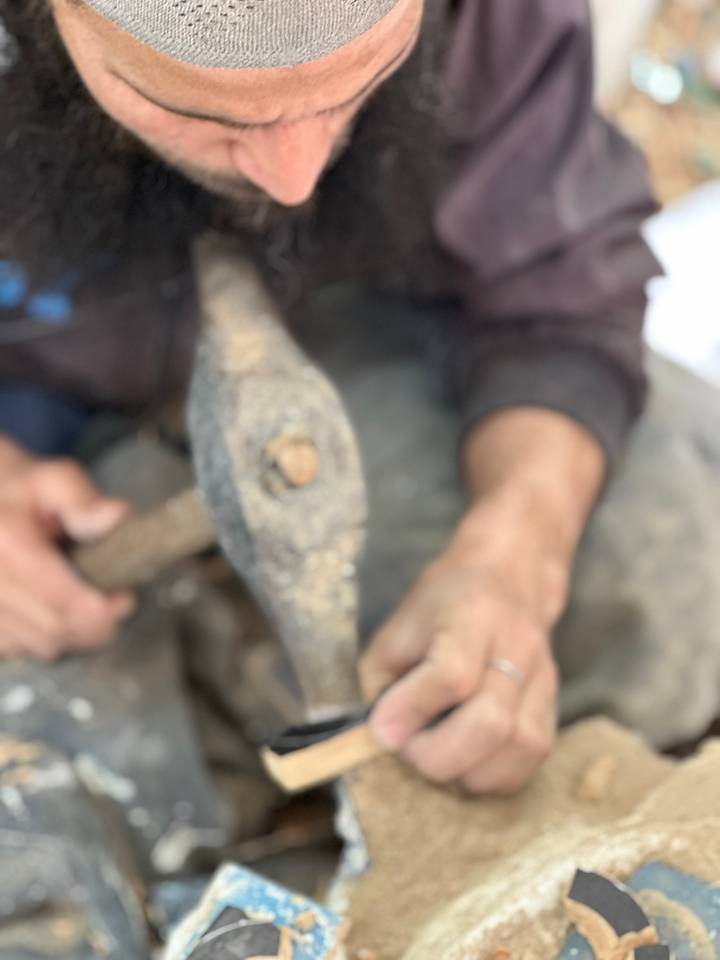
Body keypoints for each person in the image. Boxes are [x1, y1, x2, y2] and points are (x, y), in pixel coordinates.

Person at [2, 3, 720, 949]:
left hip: (362, 344)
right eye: (213, 116)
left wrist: (515, 551)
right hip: (39, 405)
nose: (293, 177)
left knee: (656, 550)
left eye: (354, 86)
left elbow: (557, 286)